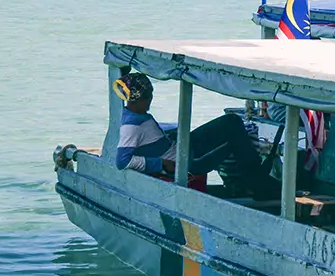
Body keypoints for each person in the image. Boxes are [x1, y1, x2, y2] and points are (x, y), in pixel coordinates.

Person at [113, 72, 266, 193]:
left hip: (182, 147)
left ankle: (250, 181)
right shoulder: (132, 127)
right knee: (234, 139)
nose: (151, 100)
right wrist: (161, 163)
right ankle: (257, 183)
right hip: (189, 164)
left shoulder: (134, 115)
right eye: (149, 96)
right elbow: (122, 161)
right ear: (143, 99)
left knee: (231, 121)